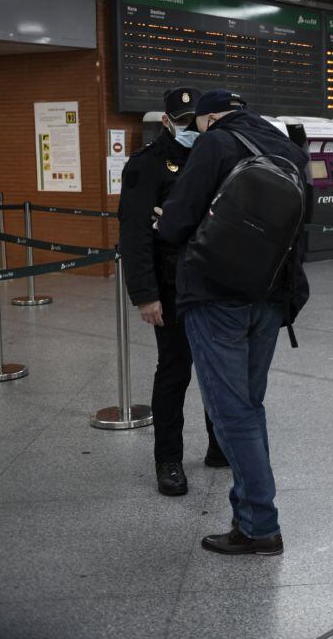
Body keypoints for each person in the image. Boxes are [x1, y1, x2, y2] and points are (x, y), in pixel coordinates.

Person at [157, 89, 308, 556]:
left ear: (208, 118)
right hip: (269, 297)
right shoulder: (289, 149)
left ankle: (261, 525)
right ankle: (247, 514)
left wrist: (167, 222)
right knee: (249, 405)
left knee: (229, 411)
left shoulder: (215, 143)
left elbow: (176, 222)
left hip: (216, 295)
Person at [118, 87, 226, 497]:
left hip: (213, 285)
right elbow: (134, 237)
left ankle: (219, 446)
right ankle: (169, 461)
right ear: (166, 122)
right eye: (181, 122)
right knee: (175, 372)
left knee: (217, 370)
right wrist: (145, 295)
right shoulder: (146, 166)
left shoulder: (215, 157)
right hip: (171, 287)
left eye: (195, 121)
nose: (190, 129)